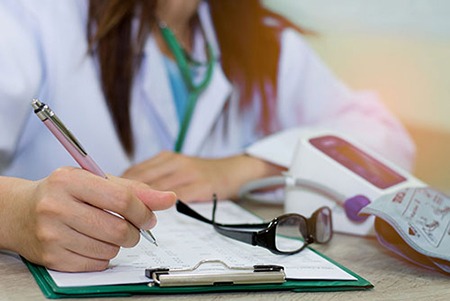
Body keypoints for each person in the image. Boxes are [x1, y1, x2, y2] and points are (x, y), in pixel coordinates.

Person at [0, 0, 415, 272]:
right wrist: (15, 214)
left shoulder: (266, 41)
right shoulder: (33, 20)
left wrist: (249, 166)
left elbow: (387, 139)